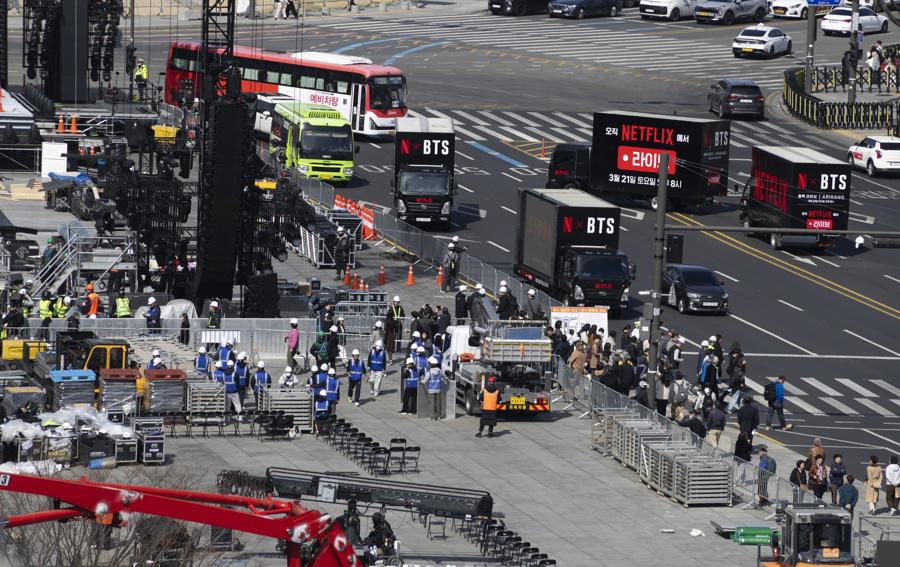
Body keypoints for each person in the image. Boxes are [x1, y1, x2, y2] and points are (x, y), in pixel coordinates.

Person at [385, 296, 404, 363]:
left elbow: (403, 315)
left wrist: (402, 319)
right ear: (394, 302)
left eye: (398, 302)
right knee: (393, 337)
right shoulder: (391, 308)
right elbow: (388, 316)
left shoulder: (401, 308)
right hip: (393, 325)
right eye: (396, 302)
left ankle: (398, 348)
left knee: (399, 336)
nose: (397, 303)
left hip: (399, 324)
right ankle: (392, 348)